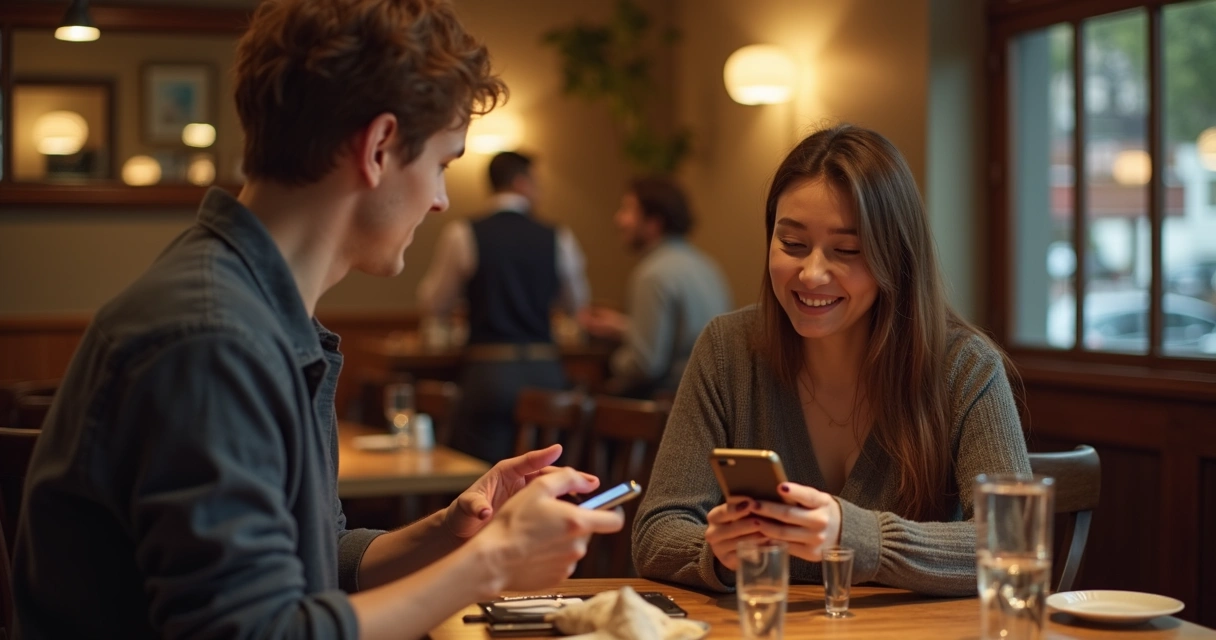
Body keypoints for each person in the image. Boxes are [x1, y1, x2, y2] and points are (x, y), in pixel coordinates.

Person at [11, 1, 622, 638]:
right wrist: (493, 563)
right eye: (442, 164)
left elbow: (318, 558)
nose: (441, 200)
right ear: (379, 147)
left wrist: (456, 530)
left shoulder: (258, 312)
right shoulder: (213, 336)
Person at [631, 125, 1031, 597]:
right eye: (792, 244)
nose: (812, 273)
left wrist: (854, 535)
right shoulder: (729, 349)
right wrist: (715, 549)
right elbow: (657, 532)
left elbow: (1015, 541)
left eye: (847, 250)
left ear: (896, 258)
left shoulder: (963, 366)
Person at [417, 150, 590, 463]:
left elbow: (434, 303)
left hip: (489, 371)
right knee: (546, 471)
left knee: (484, 478)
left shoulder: (464, 233)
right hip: (545, 372)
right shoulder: (557, 237)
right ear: (522, 182)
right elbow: (577, 303)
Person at [579, 177, 732, 398]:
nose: (619, 219)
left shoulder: (652, 274)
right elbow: (686, 337)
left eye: (627, 210)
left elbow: (645, 364)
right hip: (711, 397)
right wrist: (626, 328)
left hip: (669, 404)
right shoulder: (707, 266)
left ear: (653, 223)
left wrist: (609, 363)